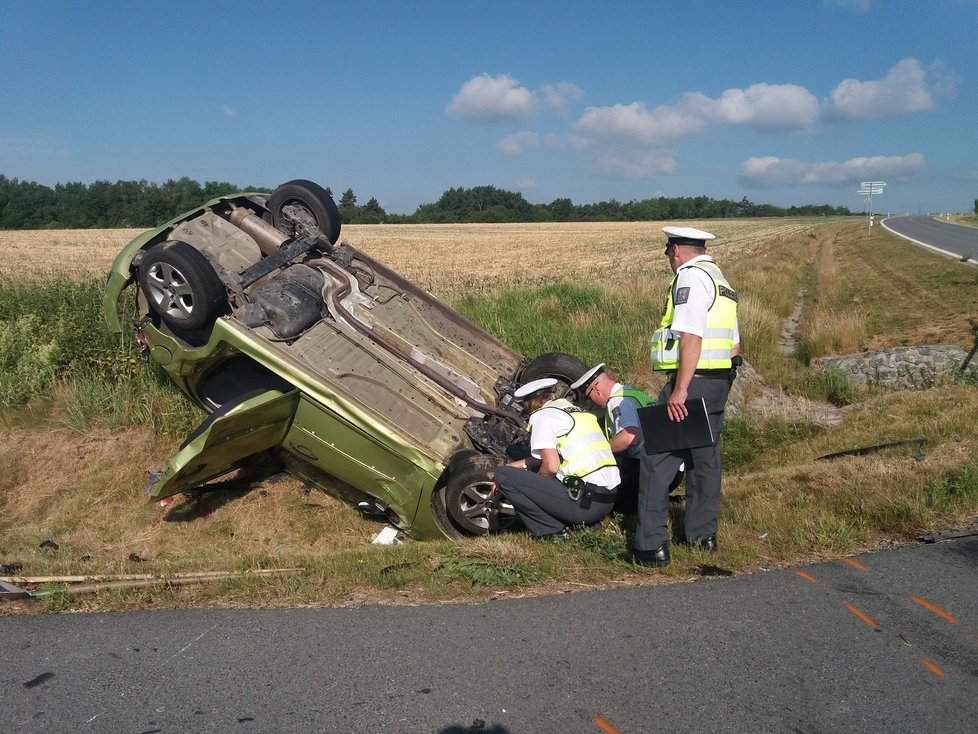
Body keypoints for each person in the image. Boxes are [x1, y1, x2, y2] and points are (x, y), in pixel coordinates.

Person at [629, 226, 740, 567]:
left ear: (676, 250)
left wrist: (680, 389)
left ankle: (650, 546)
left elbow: (690, 334)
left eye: (667, 252)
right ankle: (702, 535)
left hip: (691, 383)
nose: (668, 258)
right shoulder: (722, 282)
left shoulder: (690, 278)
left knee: (655, 456)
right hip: (718, 381)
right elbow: (735, 345)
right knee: (704, 459)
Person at [493, 378, 621, 539]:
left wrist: (532, 486)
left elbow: (552, 466)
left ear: (528, 404)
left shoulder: (542, 416)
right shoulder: (575, 411)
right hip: (606, 500)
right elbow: (550, 457)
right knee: (510, 472)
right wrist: (515, 466)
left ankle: (551, 530)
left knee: (502, 475)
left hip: (584, 506)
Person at [570, 363, 683, 513]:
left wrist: (599, 451)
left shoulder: (617, 402)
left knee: (602, 466)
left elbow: (629, 437)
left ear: (596, 390)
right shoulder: (632, 393)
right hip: (671, 469)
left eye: (590, 398)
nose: (593, 402)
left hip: (652, 471)